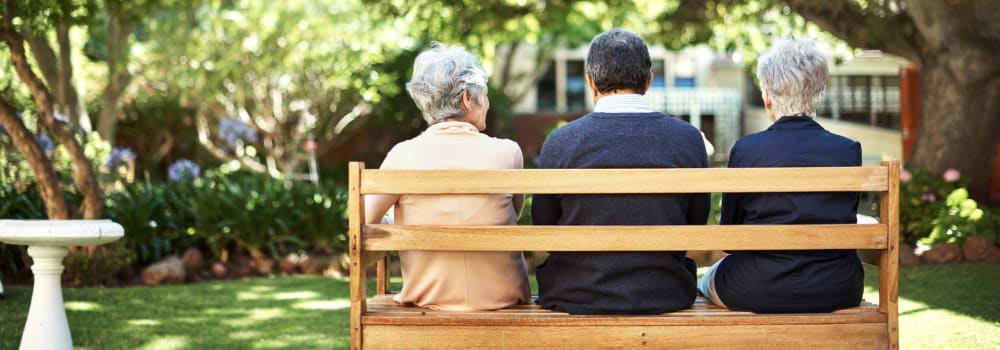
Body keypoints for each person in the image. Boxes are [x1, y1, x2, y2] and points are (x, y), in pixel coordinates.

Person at [532, 29, 711, 315]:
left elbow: (544, 225)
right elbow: (696, 222)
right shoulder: (687, 138)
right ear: (649, 80)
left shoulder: (560, 142)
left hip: (575, 293)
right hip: (665, 291)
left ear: (590, 82)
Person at [698, 39, 864, 313]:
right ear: (819, 94)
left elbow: (730, 237)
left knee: (707, 279)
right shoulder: (847, 151)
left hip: (755, 286)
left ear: (767, 97)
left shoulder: (747, 150)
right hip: (836, 287)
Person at [364, 44, 531, 311]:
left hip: (429, 301)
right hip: (504, 299)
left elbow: (362, 225)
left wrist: (399, 219)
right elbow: (512, 212)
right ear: (467, 99)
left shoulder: (402, 156)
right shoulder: (508, 153)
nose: (486, 103)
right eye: (484, 96)